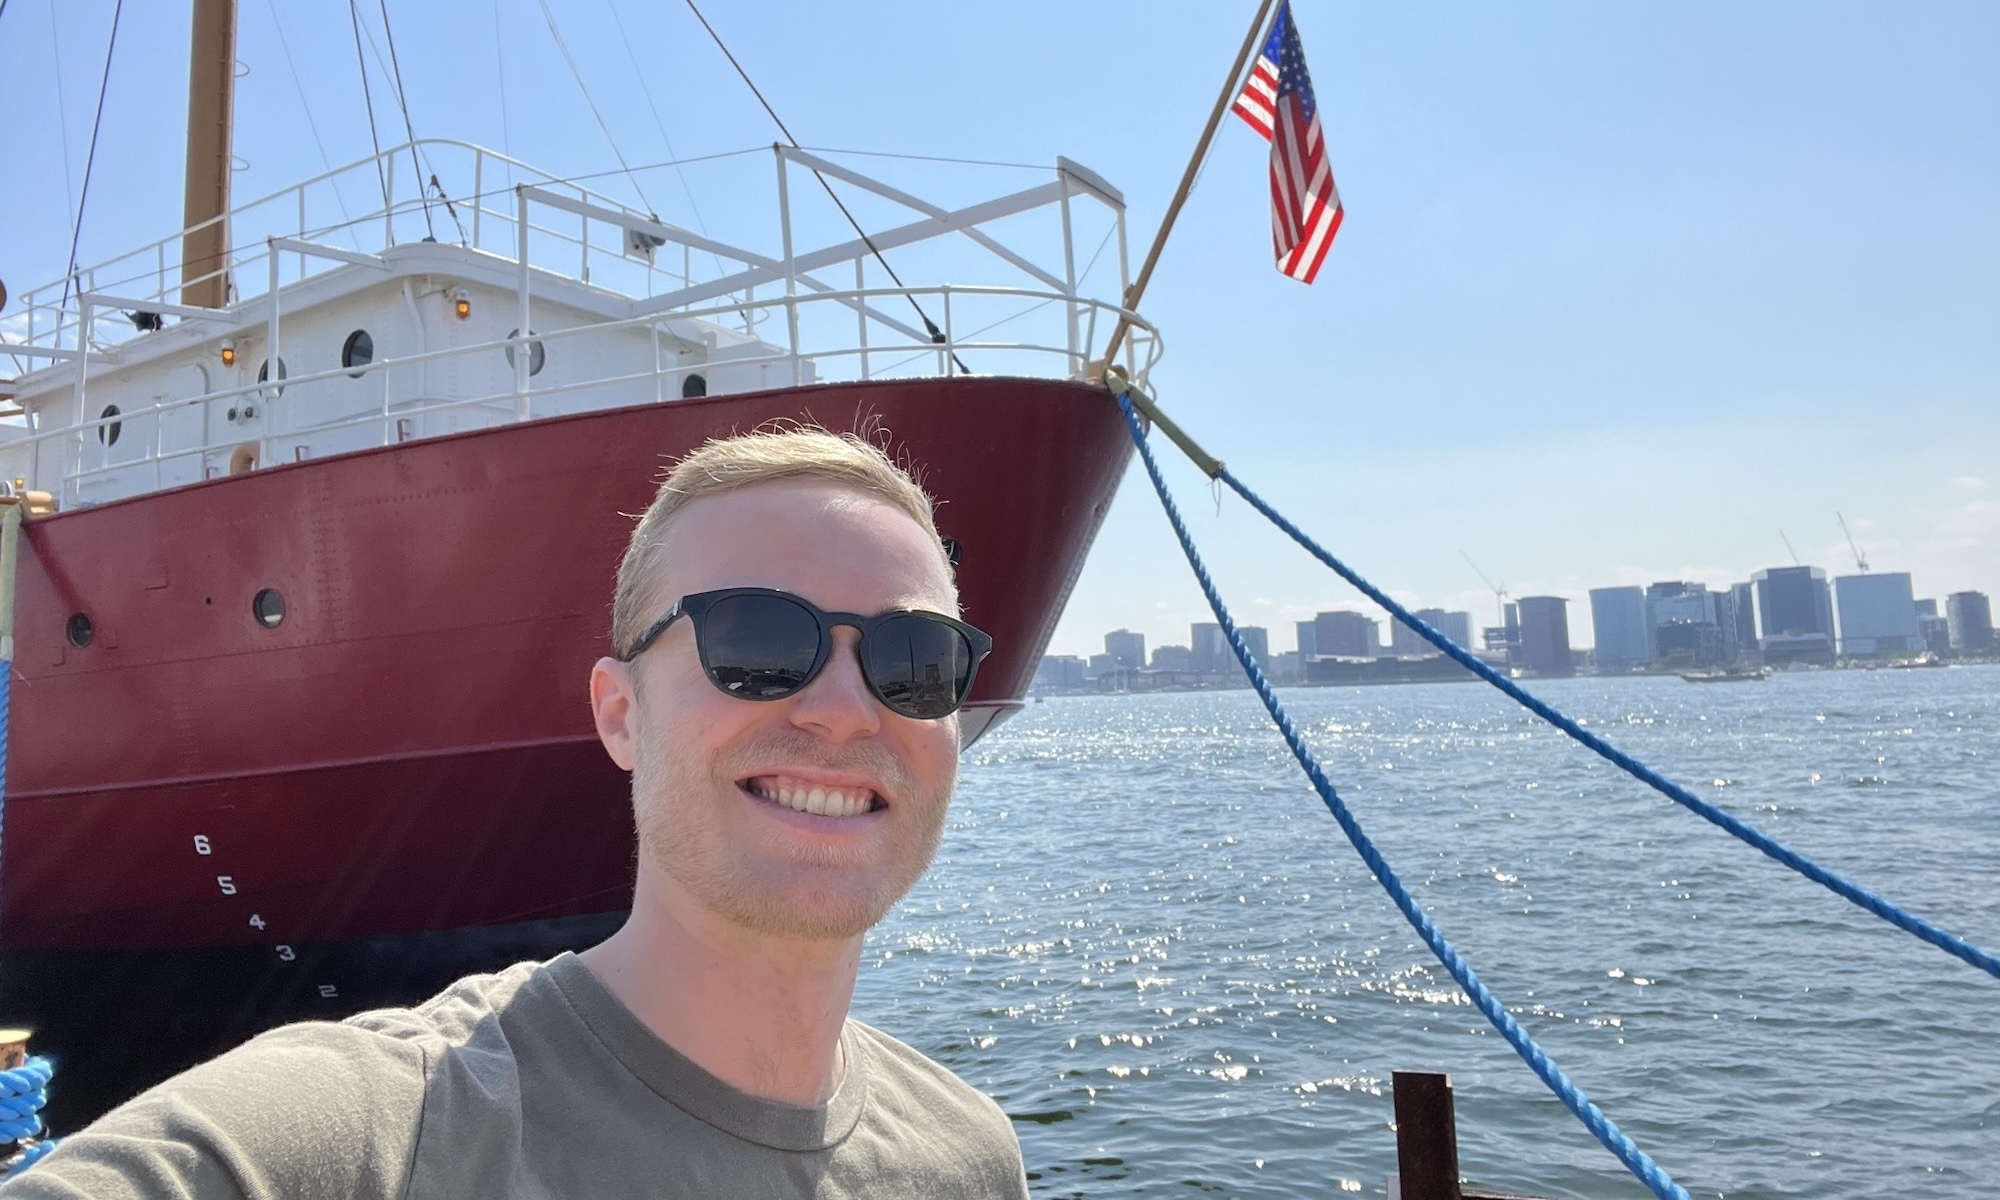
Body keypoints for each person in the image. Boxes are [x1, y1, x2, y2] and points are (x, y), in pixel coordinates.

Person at [5, 428, 1028, 1199]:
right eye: (757, 643)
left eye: (913, 663)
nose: (846, 711)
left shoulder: (972, 1157)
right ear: (619, 714)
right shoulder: (389, 1134)